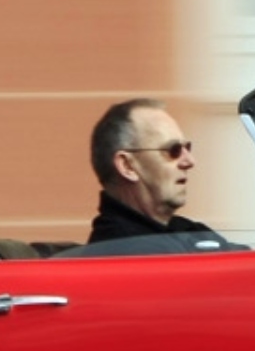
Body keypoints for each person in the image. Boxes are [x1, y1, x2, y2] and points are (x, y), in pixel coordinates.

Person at [86, 98, 220, 244]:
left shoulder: (189, 231)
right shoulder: (118, 250)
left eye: (187, 148)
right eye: (173, 150)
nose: (189, 161)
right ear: (127, 166)